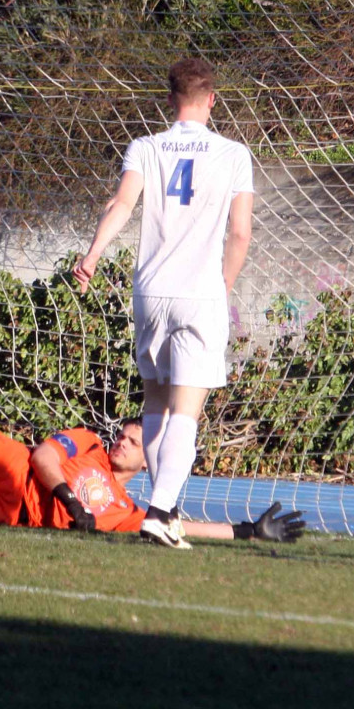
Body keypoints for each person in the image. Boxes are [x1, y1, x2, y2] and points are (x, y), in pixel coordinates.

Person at [0, 364, 305, 543]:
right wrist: (69, 500)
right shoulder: (87, 440)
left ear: (149, 463)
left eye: (134, 442)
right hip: (13, 464)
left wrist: (245, 531)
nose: (123, 442)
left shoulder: (129, 513)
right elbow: (44, 456)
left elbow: (181, 527)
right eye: (125, 434)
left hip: (10, 511)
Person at [73, 57, 254, 549]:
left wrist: (93, 253)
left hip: (150, 291)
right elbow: (240, 232)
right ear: (212, 100)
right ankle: (158, 513)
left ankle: (165, 511)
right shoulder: (234, 153)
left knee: (155, 404)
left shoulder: (145, 147)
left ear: (170, 100)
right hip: (200, 292)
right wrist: (223, 285)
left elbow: (121, 205)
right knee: (187, 412)